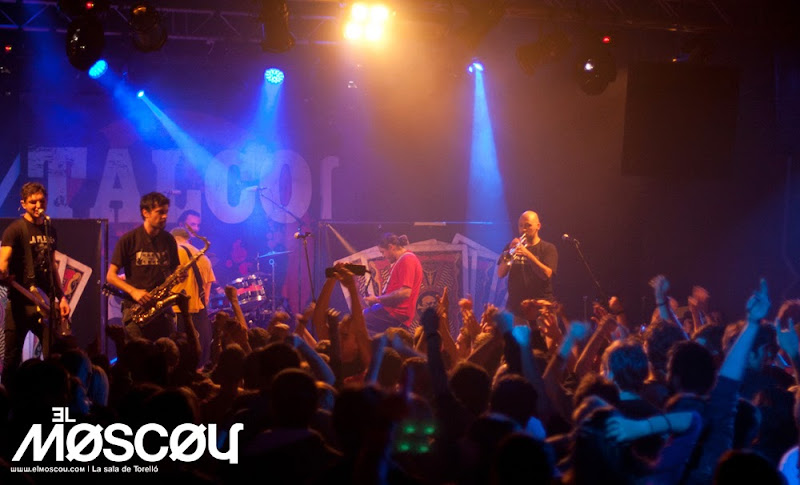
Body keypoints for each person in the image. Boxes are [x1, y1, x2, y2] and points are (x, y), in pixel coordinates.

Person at [0, 182, 70, 384]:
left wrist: (62, 297)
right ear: (23, 204)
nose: (38, 205)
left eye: (42, 201)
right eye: (33, 202)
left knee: (54, 355)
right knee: (12, 357)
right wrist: (3, 274)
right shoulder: (15, 230)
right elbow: (3, 264)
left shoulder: (50, 230)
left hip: (46, 303)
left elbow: (52, 266)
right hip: (20, 302)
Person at [107, 192, 181, 341]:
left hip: (162, 310)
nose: (165, 216)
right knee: (138, 353)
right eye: (160, 212)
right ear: (145, 212)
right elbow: (111, 276)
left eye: (166, 212)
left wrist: (179, 274)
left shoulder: (169, 239)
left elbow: (175, 268)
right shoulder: (128, 240)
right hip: (136, 309)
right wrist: (133, 291)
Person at [497, 210, 558, 319]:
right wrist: (510, 251)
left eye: (528, 225)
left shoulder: (548, 248)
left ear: (538, 226)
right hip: (515, 309)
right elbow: (500, 273)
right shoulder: (511, 247)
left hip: (541, 309)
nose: (523, 229)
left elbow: (547, 274)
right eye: (520, 226)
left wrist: (527, 254)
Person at [170, 226, 215, 366]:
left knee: (179, 360)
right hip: (200, 316)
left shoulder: (174, 252)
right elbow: (206, 296)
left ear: (173, 239)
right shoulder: (205, 258)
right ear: (188, 239)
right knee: (199, 362)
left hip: (178, 313)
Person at [363, 233, 422, 335]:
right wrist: (377, 301)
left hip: (395, 314)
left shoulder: (407, 260)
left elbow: (405, 293)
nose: (383, 256)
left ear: (391, 247)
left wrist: (377, 299)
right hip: (391, 311)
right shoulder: (402, 260)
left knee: (357, 320)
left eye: (383, 252)